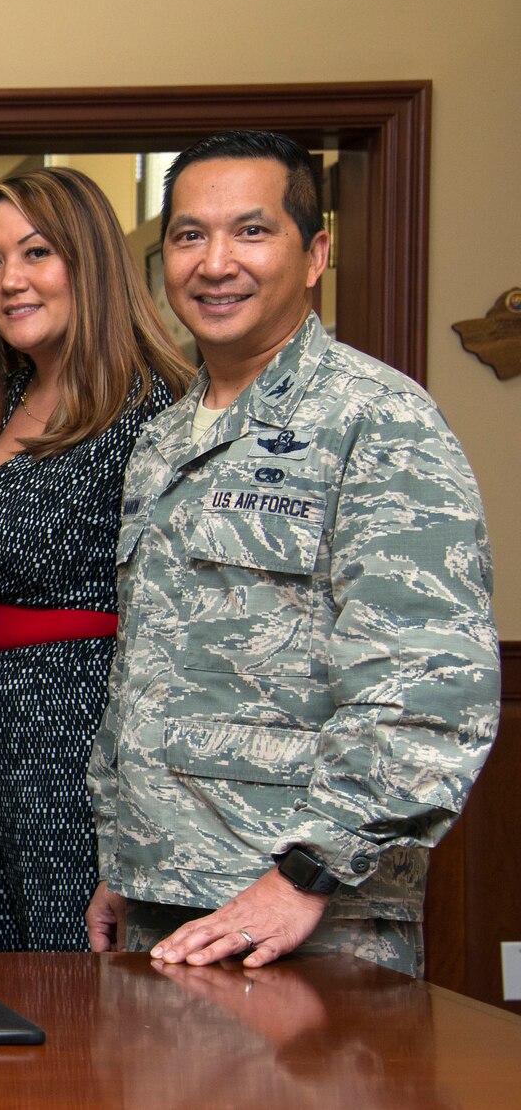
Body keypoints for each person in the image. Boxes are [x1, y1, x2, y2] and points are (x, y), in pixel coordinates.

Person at [84, 131, 498, 975]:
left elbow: (427, 684)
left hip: (309, 911)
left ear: (315, 255)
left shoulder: (378, 420)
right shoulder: (163, 439)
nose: (214, 262)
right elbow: (148, 663)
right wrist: (120, 862)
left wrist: (306, 872)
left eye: (251, 230)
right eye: (189, 237)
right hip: (165, 897)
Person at [0, 168, 191, 952]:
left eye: (37, 253)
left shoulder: (155, 413)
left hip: (78, 748)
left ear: (90, 261)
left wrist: (137, 830)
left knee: (80, 1009)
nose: (11, 281)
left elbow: (176, 634)